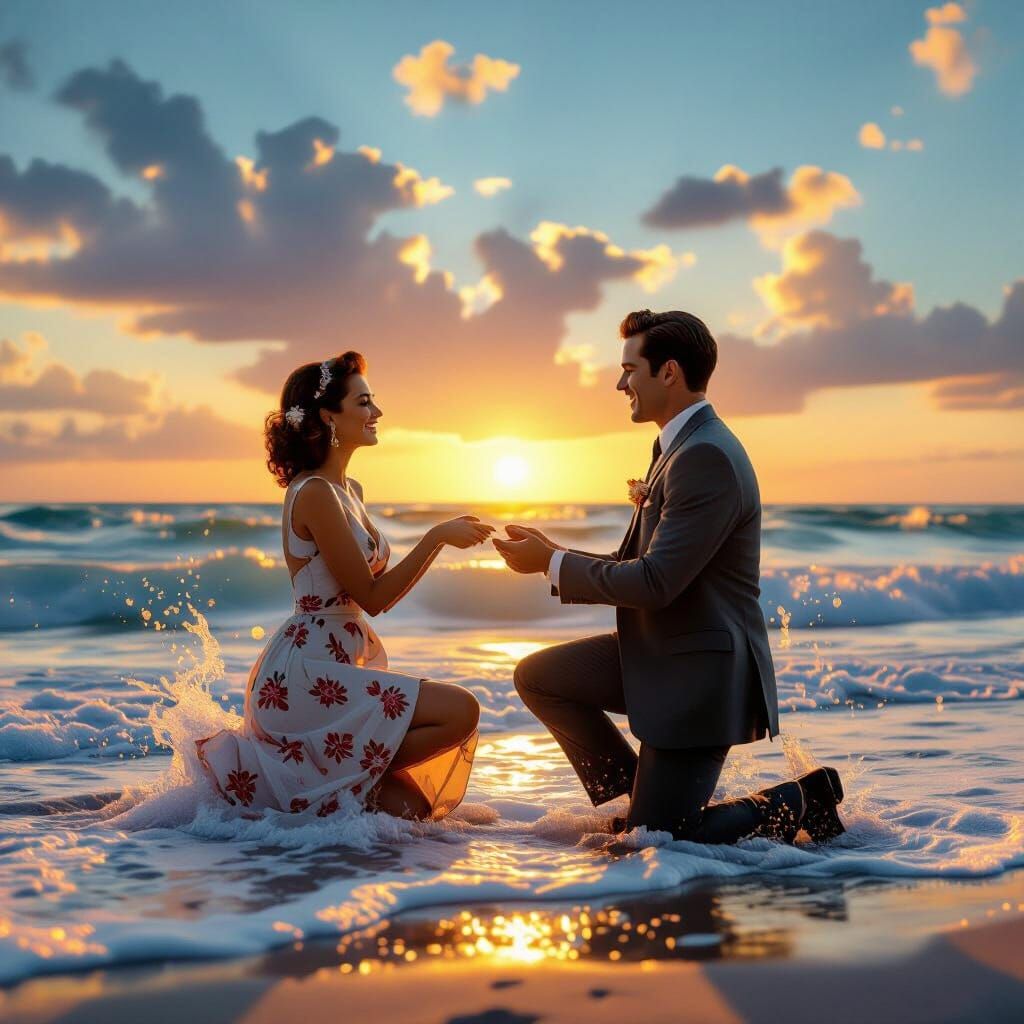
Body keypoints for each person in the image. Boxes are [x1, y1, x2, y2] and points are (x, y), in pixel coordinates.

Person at [493, 310, 845, 844]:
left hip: (698, 674)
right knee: (539, 677)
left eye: (629, 369)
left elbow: (656, 583)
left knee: (659, 841)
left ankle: (803, 798)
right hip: (662, 653)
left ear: (669, 373)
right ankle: (642, 796)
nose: (620, 383)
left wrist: (551, 562)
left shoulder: (705, 455)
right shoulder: (678, 446)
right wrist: (552, 552)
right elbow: (636, 561)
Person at [196, 352, 491, 821]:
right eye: (365, 402)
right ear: (329, 417)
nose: (377, 414)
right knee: (461, 710)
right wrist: (435, 538)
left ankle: (330, 790)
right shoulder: (313, 493)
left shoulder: (349, 490)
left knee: (411, 811)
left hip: (339, 660)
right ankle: (320, 786)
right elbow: (373, 598)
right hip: (306, 671)